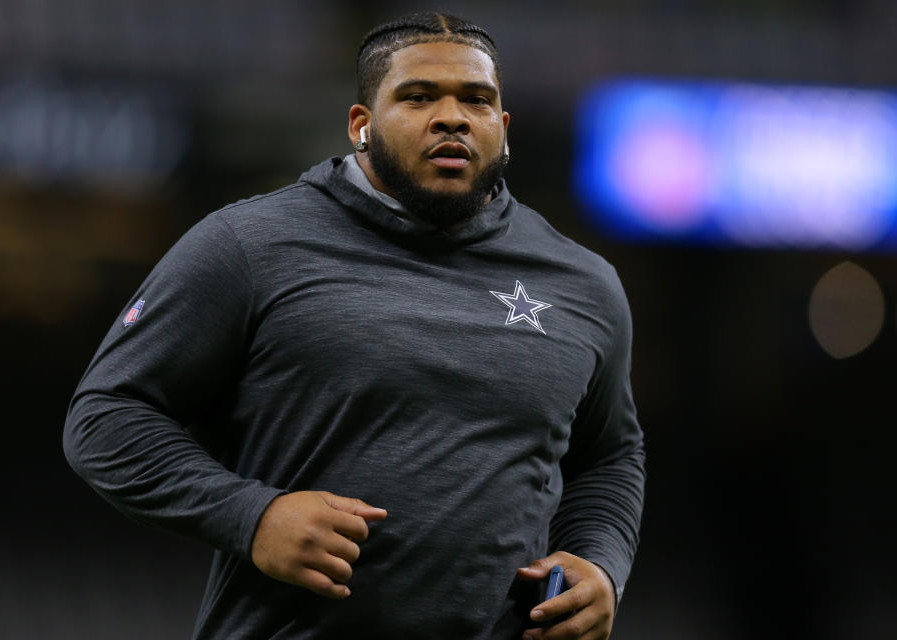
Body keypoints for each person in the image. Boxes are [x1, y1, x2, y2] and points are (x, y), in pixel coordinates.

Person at [63, 12, 645, 640]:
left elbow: (609, 454)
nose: (452, 117)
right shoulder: (249, 245)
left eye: (476, 99)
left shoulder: (583, 283)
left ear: (501, 129)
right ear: (360, 126)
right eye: (418, 96)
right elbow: (106, 416)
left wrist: (600, 562)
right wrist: (252, 516)